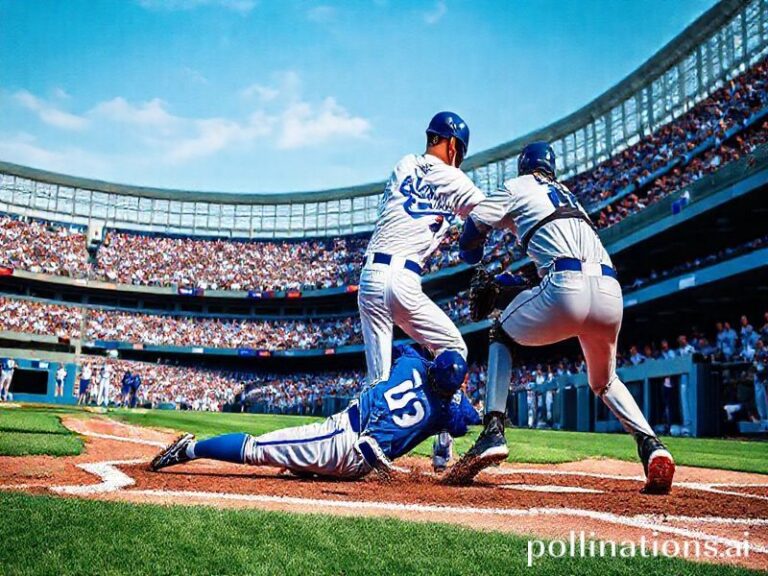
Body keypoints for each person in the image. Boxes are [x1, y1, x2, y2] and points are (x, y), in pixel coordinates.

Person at [447, 141, 675, 494]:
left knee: (501, 332)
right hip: (610, 293)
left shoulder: (518, 185)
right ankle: (651, 446)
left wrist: (474, 258)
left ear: (525, 166)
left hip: (565, 288)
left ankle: (493, 430)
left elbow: (473, 228)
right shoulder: (570, 196)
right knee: (605, 381)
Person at [358, 111, 485, 471]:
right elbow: (488, 213)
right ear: (453, 145)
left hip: (370, 276)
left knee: (379, 379)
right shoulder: (454, 177)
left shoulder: (403, 164)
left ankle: (369, 448)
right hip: (402, 280)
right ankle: (444, 449)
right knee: (454, 348)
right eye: (459, 149)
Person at [150, 346, 480, 479]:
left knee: (256, 447)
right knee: (298, 458)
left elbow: (405, 350)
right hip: (359, 462)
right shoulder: (443, 413)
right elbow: (469, 419)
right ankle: (306, 464)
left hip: (344, 440)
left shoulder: (411, 362)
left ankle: (190, 449)